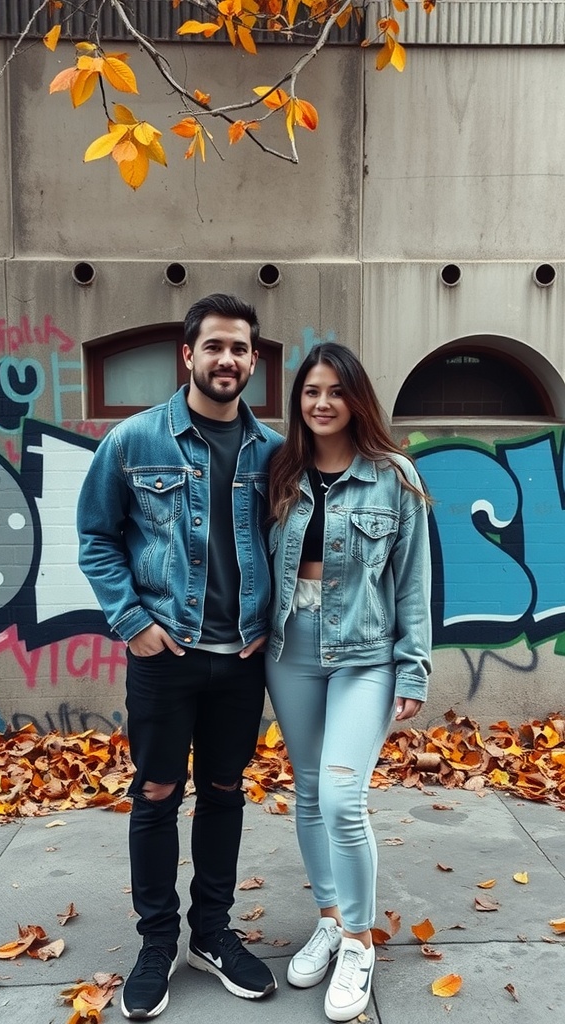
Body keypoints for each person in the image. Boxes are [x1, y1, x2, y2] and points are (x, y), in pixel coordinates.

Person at [77, 293, 283, 1020]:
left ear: (254, 362)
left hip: (241, 658)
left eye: (240, 349)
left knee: (225, 791)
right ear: (187, 355)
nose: (227, 359)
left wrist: (274, 620)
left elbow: (294, 545)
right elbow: (96, 537)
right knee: (158, 794)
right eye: (215, 346)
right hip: (165, 654)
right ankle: (157, 942)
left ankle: (213, 934)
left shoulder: (272, 450)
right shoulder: (135, 442)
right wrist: (132, 621)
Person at [265, 343, 432, 1023]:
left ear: (356, 398)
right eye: (310, 391)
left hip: (365, 655)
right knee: (307, 790)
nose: (322, 402)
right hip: (290, 648)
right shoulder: (281, 472)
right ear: (299, 401)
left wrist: (412, 665)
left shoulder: (394, 477)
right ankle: (330, 917)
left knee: (341, 795)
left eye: (335, 390)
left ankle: (359, 941)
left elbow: (414, 582)